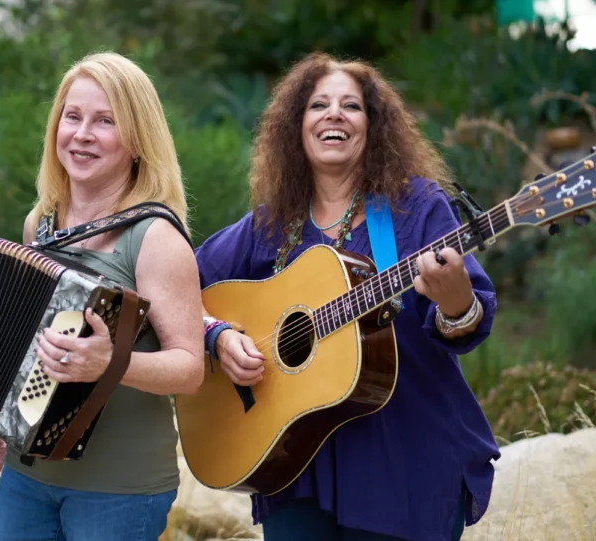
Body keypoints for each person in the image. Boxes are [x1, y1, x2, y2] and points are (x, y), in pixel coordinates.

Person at [193, 52, 501, 541]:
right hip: (296, 469)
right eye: (318, 105)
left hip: (403, 462)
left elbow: (469, 323)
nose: (334, 114)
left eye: (351, 106)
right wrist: (219, 336)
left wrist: (456, 303)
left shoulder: (416, 208)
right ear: (296, 127)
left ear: (373, 127)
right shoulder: (272, 225)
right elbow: (180, 284)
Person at [0, 51, 205, 541]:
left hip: (119, 490)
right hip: (28, 475)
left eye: (105, 121)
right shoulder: (42, 224)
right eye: (72, 117)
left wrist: (110, 363)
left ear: (138, 140)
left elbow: (189, 368)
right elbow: (26, 337)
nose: (82, 134)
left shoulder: (155, 237)